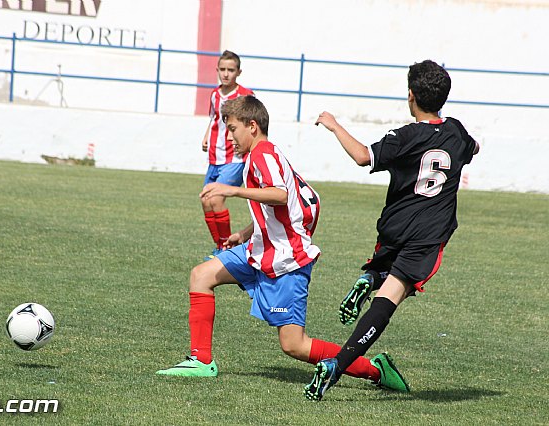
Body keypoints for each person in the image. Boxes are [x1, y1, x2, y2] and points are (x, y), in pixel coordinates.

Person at [157, 96, 408, 394]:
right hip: (258, 251)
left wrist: (233, 190)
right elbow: (304, 201)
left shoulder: (262, 154)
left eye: (234, 129)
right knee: (201, 275)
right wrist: (247, 232)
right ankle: (201, 360)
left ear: (252, 126)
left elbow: (280, 195)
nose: (230, 137)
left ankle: (375, 371)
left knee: (294, 345)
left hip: (285, 263)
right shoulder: (267, 153)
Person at [305, 59, 480, 401]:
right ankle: (337, 365)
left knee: (386, 274)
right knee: (388, 301)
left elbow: (361, 156)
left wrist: (334, 125)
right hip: (427, 237)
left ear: (411, 96)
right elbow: (474, 148)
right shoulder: (458, 132)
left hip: (393, 228)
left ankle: (372, 275)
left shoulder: (404, 136)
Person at [200, 50, 254, 261]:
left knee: (216, 197)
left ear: (238, 72)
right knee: (206, 200)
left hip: (234, 158)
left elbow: (253, 122)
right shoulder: (214, 94)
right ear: (217, 70)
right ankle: (220, 246)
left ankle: (226, 248)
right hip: (215, 156)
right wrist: (206, 136)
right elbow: (214, 119)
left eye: (230, 70)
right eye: (222, 69)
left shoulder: (245, 95)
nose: (226, 74)